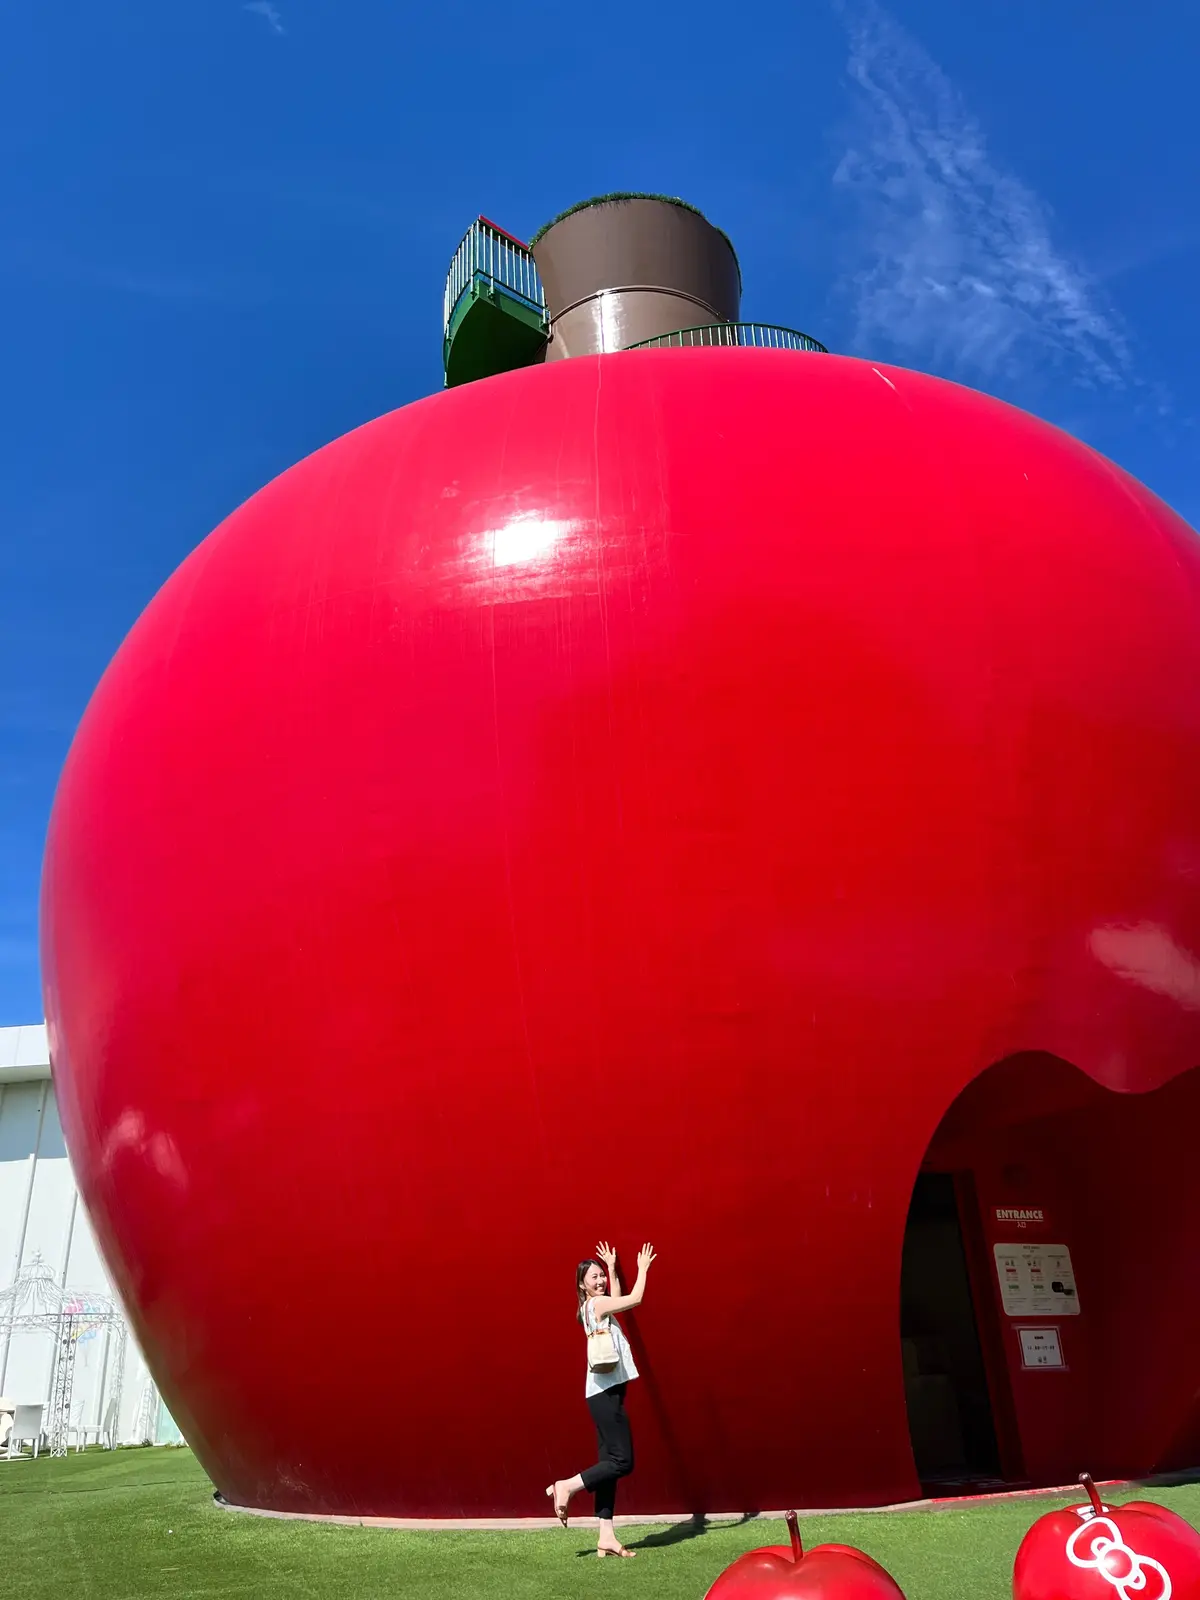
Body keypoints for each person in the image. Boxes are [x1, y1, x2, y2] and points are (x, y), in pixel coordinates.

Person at [546, 1239, 657, 1558]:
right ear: (582, 1285)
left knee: (609, 1464)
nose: (600, 1281)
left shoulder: (594, 1306)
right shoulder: (595, 1305)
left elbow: (618, 1299)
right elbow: (634, 1300)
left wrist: (611, 1267)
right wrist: (643, 1269)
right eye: (593, 1277)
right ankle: (566, 1486)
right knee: (624, 1461)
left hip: (602, 1393)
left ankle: (606, 1535)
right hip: (605, 1395)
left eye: (600, 1276)